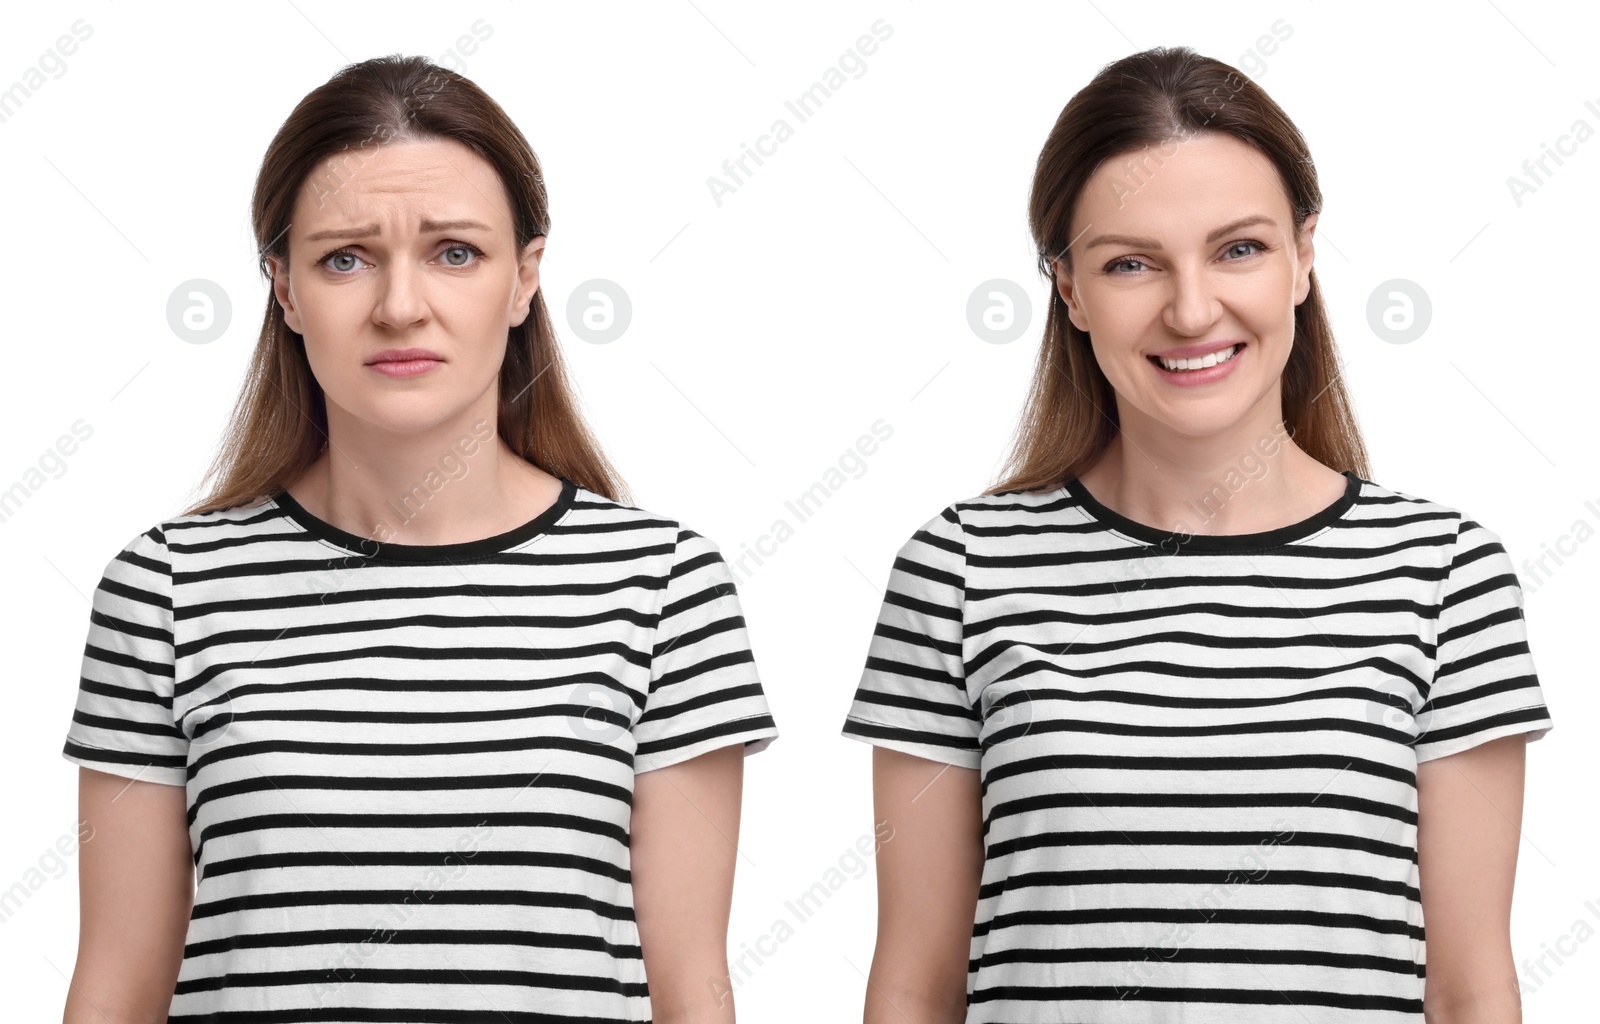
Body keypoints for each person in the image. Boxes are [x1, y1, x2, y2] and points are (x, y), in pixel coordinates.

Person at [59, 54, 777, 1023]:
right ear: (283, 289)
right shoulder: (168, 589)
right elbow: (115, 989)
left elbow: (692, 988)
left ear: (525, 279)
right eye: (345, 257)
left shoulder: (659, 586)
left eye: (454, 252)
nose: (401, 305)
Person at [842, 46, 1553, 1023]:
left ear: (1304, 256)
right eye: (1130, 263)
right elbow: (914, 987)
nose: (1188, 309)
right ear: (1068, 288)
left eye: (1238, 249)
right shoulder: (960, 571)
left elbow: (1470, 990)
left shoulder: (1441, 575)